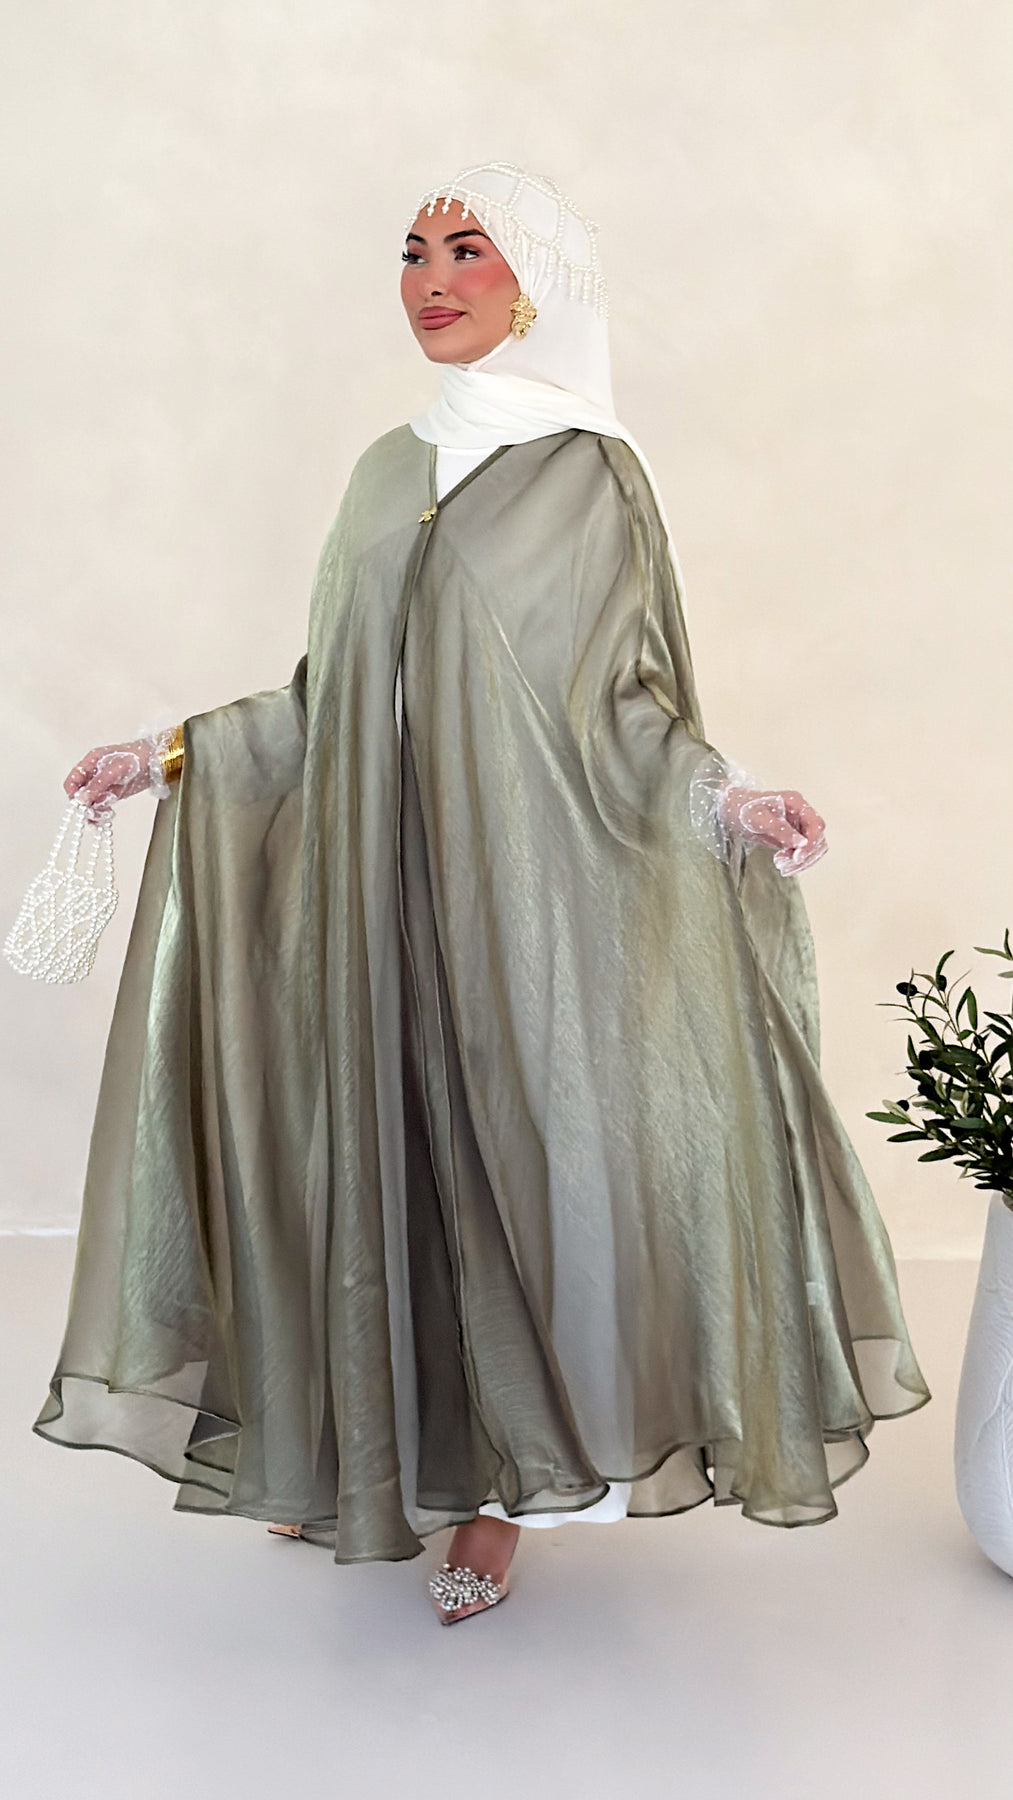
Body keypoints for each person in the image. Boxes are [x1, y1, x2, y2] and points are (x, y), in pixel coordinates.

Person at [43, 160, 930, 1627]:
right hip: (366, 908)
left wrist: (726, 799)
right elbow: (328, 696)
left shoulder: (588, 474)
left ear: (540, 287)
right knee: (365, 1165)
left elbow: (621, 707)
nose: (431, 280)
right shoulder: (384, 471)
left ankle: (498, 1498)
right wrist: (166, 753)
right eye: (411, 251)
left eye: (468, 249)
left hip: (518, 917)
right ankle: (370, 1462)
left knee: (503, 1180)